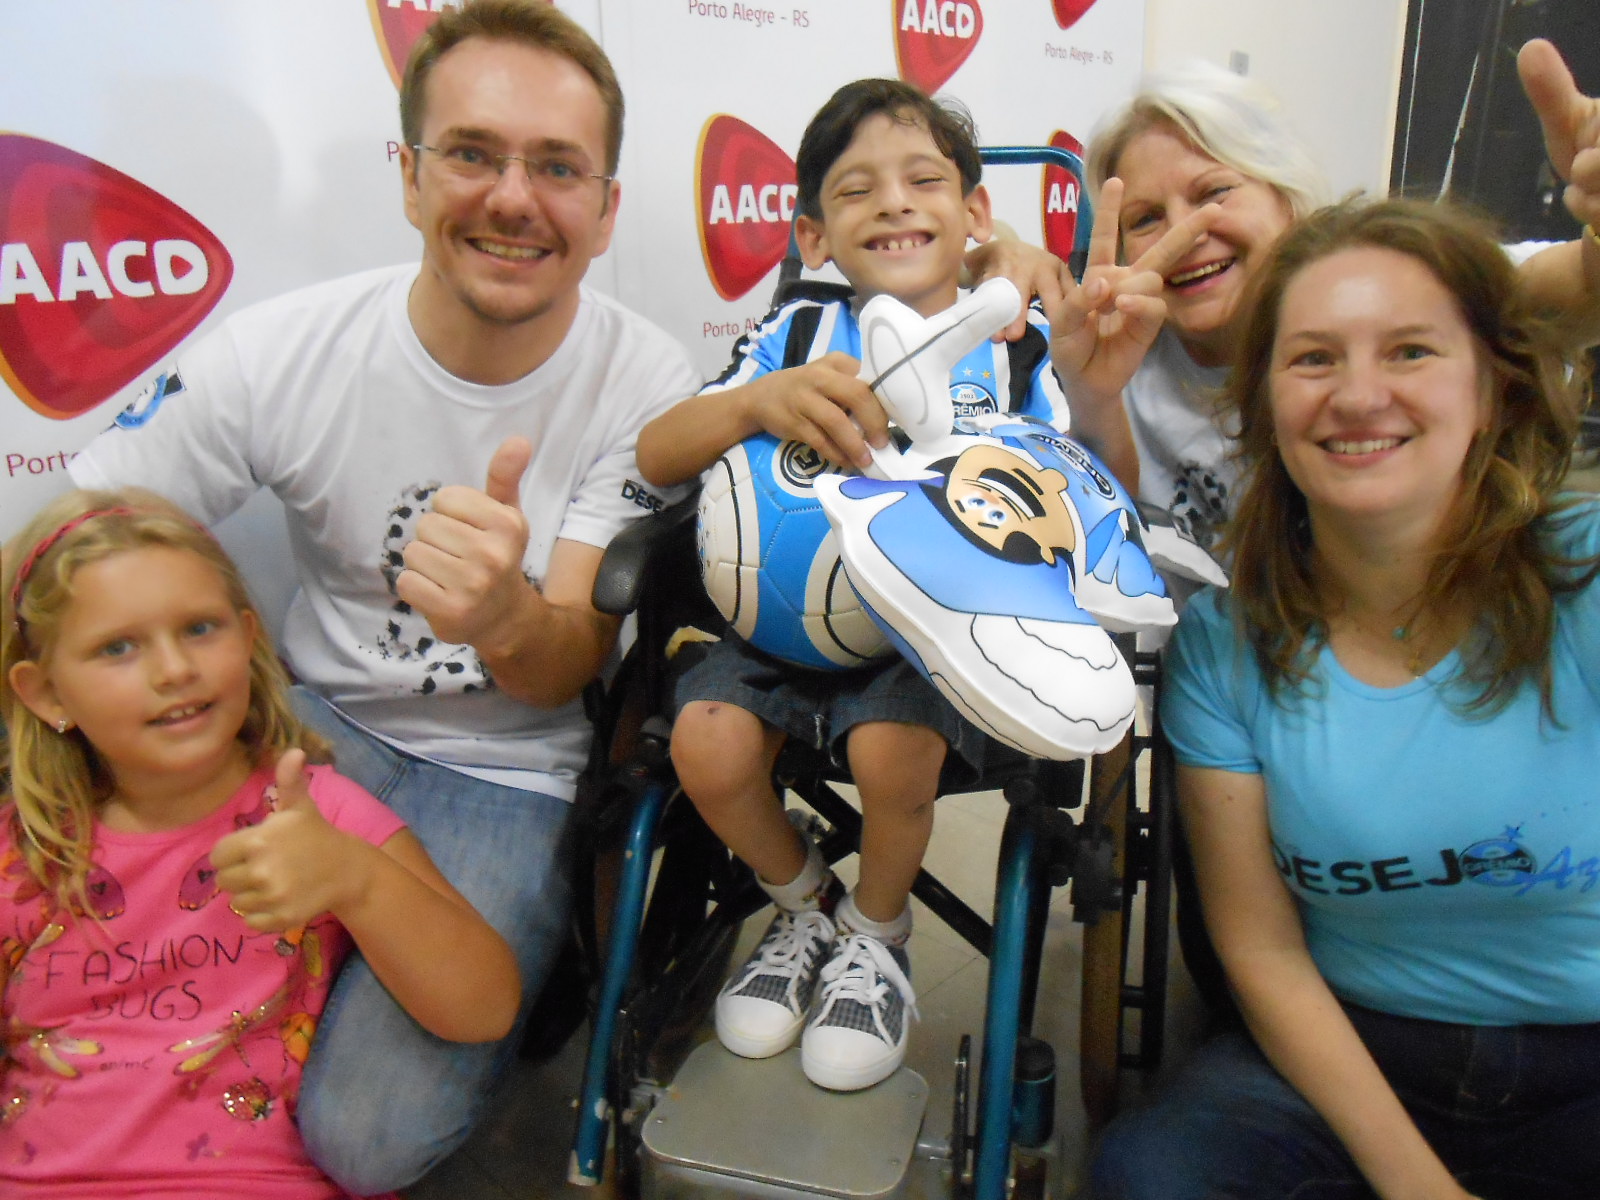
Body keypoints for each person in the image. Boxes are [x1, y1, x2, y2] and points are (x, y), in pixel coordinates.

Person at [58, 2, 701, 1190]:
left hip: (507, 776)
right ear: (408, 178)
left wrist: (502, 615)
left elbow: (563, 665)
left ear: (605, 211)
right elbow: (74, 523)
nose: (513, 198)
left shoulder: (644, 377)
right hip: (312, 729)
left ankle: (537, 957)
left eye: (557, 167)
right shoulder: (283, 351)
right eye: (472, 153)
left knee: (365, 1140)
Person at [635, 78, 1205, 1094]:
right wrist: (754, 403)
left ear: (975, 214)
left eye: (923, 180)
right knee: (703, 745)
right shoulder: (792, 339)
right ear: (812, 235)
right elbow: (658, 449)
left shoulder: (1013, 346)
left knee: (891, 743)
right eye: (855, 191)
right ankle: (803, 901)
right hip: (775, 623)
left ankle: (877, 930)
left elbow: (1066, 486)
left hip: (934, 634)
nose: (893, 203)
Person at [1087, 197, 1600, 1200]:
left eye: (1409, 351)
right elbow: (1262, 950)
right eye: (1313, 359)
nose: (1358, 395)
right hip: (1348, 1058)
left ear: (1491, 394)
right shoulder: (1224, 646)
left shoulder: (1584, 578)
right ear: (1266, 407)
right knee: (1154, 1176)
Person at [0, 489, 520, 1199]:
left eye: (200, 629)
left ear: (249, 639)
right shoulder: (21, 851)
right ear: (46, 694)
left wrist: (356, 879)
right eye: (117, 647)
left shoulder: (315, 813)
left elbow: (483, 1006)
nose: (173, 669)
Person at [972, 39, 1600, 550]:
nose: (1187, 233)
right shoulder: (1109, 339)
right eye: (1144, 218)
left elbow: (1568, 289)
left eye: (1215, 193)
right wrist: (997, 253)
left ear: (1287, 195)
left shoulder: (1386, 285)